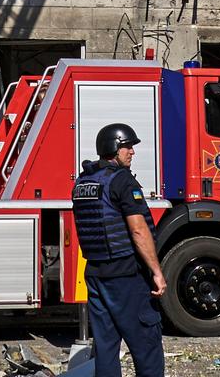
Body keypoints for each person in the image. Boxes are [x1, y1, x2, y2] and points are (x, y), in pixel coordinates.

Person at [72, 123, 165, 377]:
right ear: (113, 148)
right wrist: (156, 271)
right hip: (126, 275)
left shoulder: (83, 182)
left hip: (96, 274)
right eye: (127, 147)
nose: (132, 152)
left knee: (106, 348)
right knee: (147, 343)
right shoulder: (122, 180)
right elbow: (138, 230)